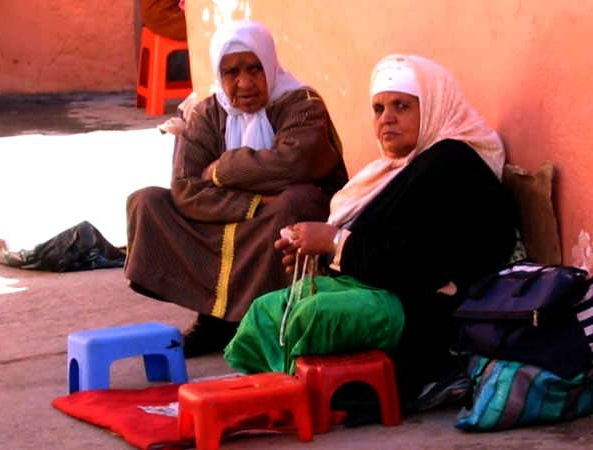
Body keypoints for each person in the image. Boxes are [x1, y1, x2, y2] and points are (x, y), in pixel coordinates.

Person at [224, 54, 517, 409]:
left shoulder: (451, 163)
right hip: (381, 290)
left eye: (401, 106)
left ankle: (316, 395)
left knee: (312, 316)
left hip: (426, 310)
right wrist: (319, 252)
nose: (387, 119)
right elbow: (379, 246)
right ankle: (279, 393)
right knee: (265, 311)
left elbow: (418, 264)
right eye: (378, 109)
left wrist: (333, 243)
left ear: (436, 106)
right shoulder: (397, 169)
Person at [125, 20, 348, 357]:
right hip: (248, 218)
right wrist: (258, 202)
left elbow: (294, 165)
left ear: (270, 64)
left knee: (295, 202)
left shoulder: (301, 104)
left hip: (282, 221)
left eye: (254, 68)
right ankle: (215, 320)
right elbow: (186, 188)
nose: (244, 83)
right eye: (231, 73)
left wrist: (221, 171)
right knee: (147, 202)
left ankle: (274, 320)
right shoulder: (207, 114)